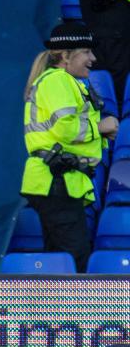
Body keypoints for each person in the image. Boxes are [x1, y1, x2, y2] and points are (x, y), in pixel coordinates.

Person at [21, 22, 120, 272]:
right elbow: (65, 128)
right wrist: (102, 125)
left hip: (58, 182)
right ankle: (73, 311)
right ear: (66, 56)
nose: (93, 58)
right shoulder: (58, 81)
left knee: (59, 259)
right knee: (73, 259)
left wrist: (101, 134)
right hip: (57, 182)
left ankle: (51, 310)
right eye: (86, 52)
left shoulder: (64, 81)